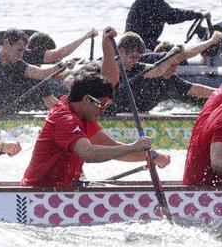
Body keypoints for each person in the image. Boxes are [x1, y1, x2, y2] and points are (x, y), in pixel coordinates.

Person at [21, 70, 170, 187]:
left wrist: (152, 156)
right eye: (101, 104)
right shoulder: (67, 120)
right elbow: (89, 154)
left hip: (64, 189)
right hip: (41, 194)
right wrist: (133, 147)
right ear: (86, 99)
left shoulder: (80, 111)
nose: (103, 110)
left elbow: (113, 149)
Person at [0, 28, 76, 120]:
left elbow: (42, 74)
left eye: (23, 51)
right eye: (19, 50)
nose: (21, 55)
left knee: (38, 81)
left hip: (5, 116)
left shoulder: (16, 63)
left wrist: (61, 66)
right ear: (6, 44)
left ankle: (70, 116)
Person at [103, 32, 219, 114]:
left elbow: (194, 89)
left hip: (135, 115)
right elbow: (161, 67)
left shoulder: (170, 79)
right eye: (132, 57)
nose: (174, 68)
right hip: (110, 113)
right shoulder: (149, 61)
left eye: (137, 58)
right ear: (121, 52)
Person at [125, 0, 207, 51]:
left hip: (140, 43)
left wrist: (194, 14)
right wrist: (195, 14)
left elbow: (170, 14)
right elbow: (171, 16)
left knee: (175, 51)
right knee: (179, 55)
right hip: (138, 46)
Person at [23, 29, 98, 65]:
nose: (50, 53)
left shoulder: (35, 58)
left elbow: (58, 59)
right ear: (37, 48)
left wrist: (65, 65)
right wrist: (85, 37)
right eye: (48, 51)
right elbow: (60, 53)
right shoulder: (27, 55)